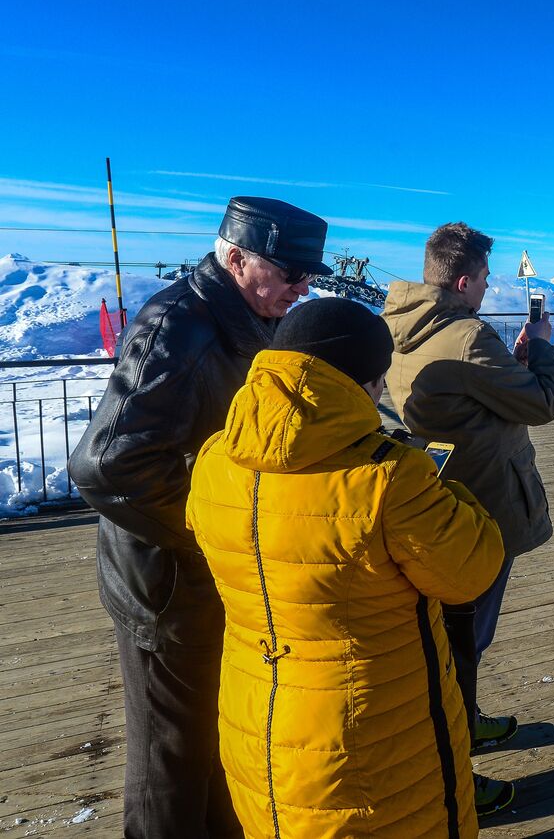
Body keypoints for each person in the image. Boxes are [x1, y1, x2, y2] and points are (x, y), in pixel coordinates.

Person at [186, 297, 505, 838]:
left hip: (256, 711)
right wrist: (444, 491)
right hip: (368, 731)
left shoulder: (216, 456)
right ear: (363, 383)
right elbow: (470, 570)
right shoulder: (389, 476)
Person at [68, 196, 330, 838]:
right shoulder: (177, 327)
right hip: (165, 586)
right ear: (236, 259)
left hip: (212, 577)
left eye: (310, 276)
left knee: (216, 739)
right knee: (170, 760)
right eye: (292, 273)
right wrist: (210, 528)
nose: (302, 288)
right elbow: (105, 466)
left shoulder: (245, 317)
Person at [381, 222, 554, 816]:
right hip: (486, 503)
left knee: (453, 630)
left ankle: (467, 717)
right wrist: (542, 347)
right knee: (465, 638)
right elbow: (542, 404)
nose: (488, 288)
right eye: (484, 278)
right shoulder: (468, 336)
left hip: (439, 497)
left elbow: (469, 397)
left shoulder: (398, 325)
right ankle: (454, 765)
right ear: (464, 281)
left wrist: (507, 369)